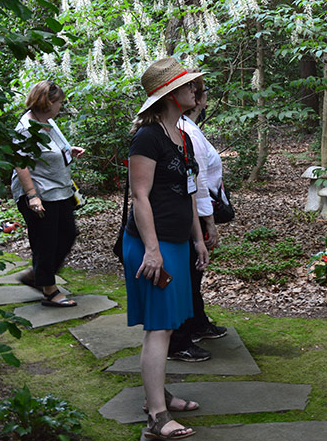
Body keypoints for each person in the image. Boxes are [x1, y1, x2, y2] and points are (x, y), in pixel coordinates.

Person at [122, 57, 209, 440]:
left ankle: (159, 396)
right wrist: (153, 251)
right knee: (159, 329)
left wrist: (197, 238)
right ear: (171, 94)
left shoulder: (184, 137)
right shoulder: (148, 136)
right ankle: (156, 417)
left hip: (176, 243)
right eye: (189, 86)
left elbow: (187, 192)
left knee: (170, 324)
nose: (196, 90)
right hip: (149, 245)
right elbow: (141, 198)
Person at [167, 73, 227, 362]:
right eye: (191, 89)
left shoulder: (188, 126)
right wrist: (208, 223)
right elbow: (197, 181)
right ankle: (180, 336)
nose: (197, 94)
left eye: (195, 88)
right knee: (189, 273)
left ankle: (196, 322)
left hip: (192, 213)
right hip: (191, 216)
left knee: (193, 273)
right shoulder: (183, 131)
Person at [12, 80, 84, 308]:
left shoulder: (48, 121)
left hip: (59, 190)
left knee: (68, 233)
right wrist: (32, 195)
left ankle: (37, 275)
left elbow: (51, 149)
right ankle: (49, 291)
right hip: (39, 193)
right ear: (48, 102)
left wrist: (69, 150)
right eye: (59, 102)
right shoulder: (26, 127)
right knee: (46, 242)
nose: (60, 106)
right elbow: (20, 163)